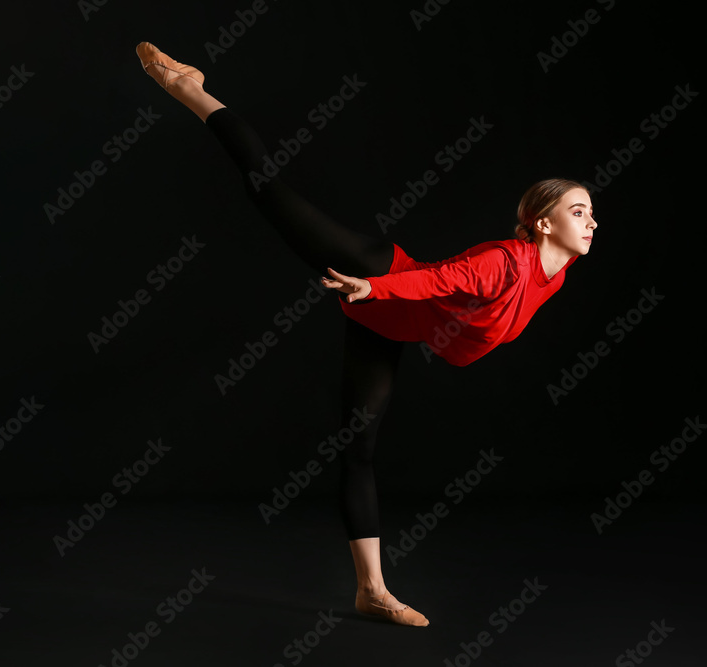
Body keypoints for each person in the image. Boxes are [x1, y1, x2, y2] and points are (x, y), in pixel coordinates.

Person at [135, 42, 597, 627]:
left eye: (591, 212)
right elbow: (439, 278)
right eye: (579, 210)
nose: (592, 220)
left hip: (390, 322)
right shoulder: (507, 261)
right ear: (542, 222)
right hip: (381, 275)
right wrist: (373, 288)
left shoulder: (556, 277)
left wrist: (379, 305)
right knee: (269, 192)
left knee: (358, 450)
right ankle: (191, 89)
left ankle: (370, 591)